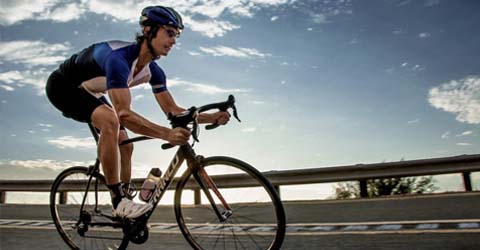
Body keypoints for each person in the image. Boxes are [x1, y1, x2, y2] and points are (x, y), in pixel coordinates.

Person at [45, 6, 230, 219]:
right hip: (63, 86)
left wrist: (210, 117)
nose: (174, 41)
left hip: (91, 91)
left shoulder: (154, 71)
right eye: (170, 33)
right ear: (149, 30)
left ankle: (124, 201)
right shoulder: (118, 59)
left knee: (127, 145)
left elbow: (174, 111)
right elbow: (124, 114)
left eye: (176, 35)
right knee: (110, 120)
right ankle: (118, 201)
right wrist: (167, 134)